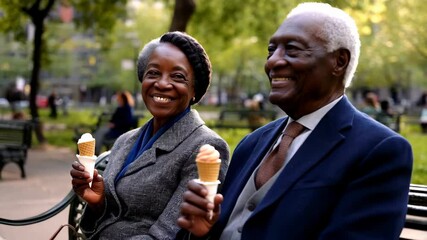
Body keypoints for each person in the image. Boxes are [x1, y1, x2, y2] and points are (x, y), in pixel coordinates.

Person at [176, 3, 413, 239]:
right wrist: (200, 233)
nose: (273, 62)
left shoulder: (379, 151)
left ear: (339, 61)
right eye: (271, 50)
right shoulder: (251, 144)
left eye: (292, 49)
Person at [70, 31, 230, 239]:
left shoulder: (205, 147)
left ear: (194, 91)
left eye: (178, 76)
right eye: (153, 73)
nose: (162, 83)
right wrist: (98, 203)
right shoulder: (125, 140)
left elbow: (167, 235)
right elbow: (108, 219)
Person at [93, 90, 135, 155]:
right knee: (100, 132)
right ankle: (95, 150)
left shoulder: (126, 109)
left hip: (118, 130)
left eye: (119, 98)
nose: (118, 100)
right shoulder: (120, 108)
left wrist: (115, 125)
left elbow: (127, 122)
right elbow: (113, 119)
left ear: (123, 99)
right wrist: (111, 123)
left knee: (100, 133)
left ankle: (96, 151)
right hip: (113, 128)